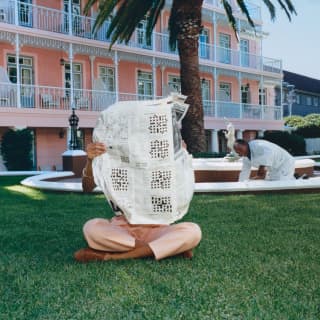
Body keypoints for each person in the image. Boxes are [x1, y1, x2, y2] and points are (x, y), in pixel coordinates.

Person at [74, 142, 202, 263]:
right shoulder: (113, 159)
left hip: (158, 228)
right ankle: (167, 249)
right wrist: (90, 161)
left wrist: (180, 157)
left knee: (193, 231)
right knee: (91, 227)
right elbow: (87, 187)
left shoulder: (162, 160)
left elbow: (182, 188)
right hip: (122, 227)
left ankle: (111, 257)